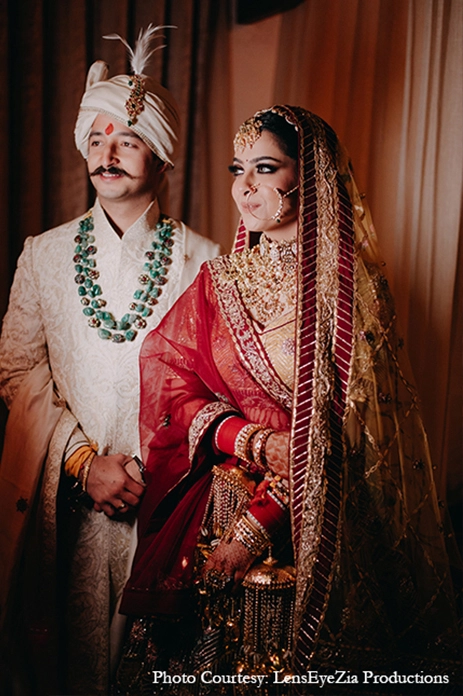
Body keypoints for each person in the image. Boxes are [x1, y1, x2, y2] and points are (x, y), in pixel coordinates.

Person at [116, 105, 461, 695]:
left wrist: (257, 528)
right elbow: (171, 378)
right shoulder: (218, 280)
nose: (245, 186)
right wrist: (249, 439)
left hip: (307, 522)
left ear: (310, 177)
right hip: (215, 509)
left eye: (265, 168)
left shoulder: (349, 297)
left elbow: (351, 435)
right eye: (237, 168)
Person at [0, 26, 220, 696]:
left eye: (126, 138)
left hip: (169, 508)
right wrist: (82, 462)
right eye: (95, 139)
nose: (107, 152)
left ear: (162, 154)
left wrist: (160, 470)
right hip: (65, 505)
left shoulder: (207, 262)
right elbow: (18, 371)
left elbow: (221, 390)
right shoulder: (43, 254)